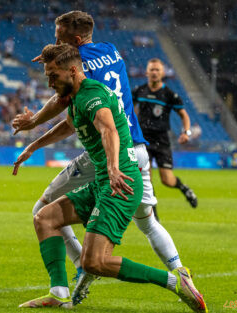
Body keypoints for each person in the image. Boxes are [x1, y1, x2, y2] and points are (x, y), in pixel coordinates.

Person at [15, 43, 207, 313]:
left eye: (53, 76)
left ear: (72, 70)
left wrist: (114, 167)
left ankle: (175, 281)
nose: (49, 83)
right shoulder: (78, 95)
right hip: (104, 181)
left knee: (95, 263)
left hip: (121, 183)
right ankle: (59, 293)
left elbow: (109, 130)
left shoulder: (92, 95)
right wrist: (33, 146)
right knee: (44, 218)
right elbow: (70, 125)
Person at [132, 58, 198, 209]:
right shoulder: (139, 91)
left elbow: (184, 115)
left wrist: (186, 132)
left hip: (162, 140)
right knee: (145, 179)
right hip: (143, 140)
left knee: (167, 180)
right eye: (152, 70)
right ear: (147, 72)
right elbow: (127, 108)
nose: (154, 73)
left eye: (157, 70)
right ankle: (153, 216)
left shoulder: (169, 95)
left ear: (163, 73)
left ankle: (184, 189)